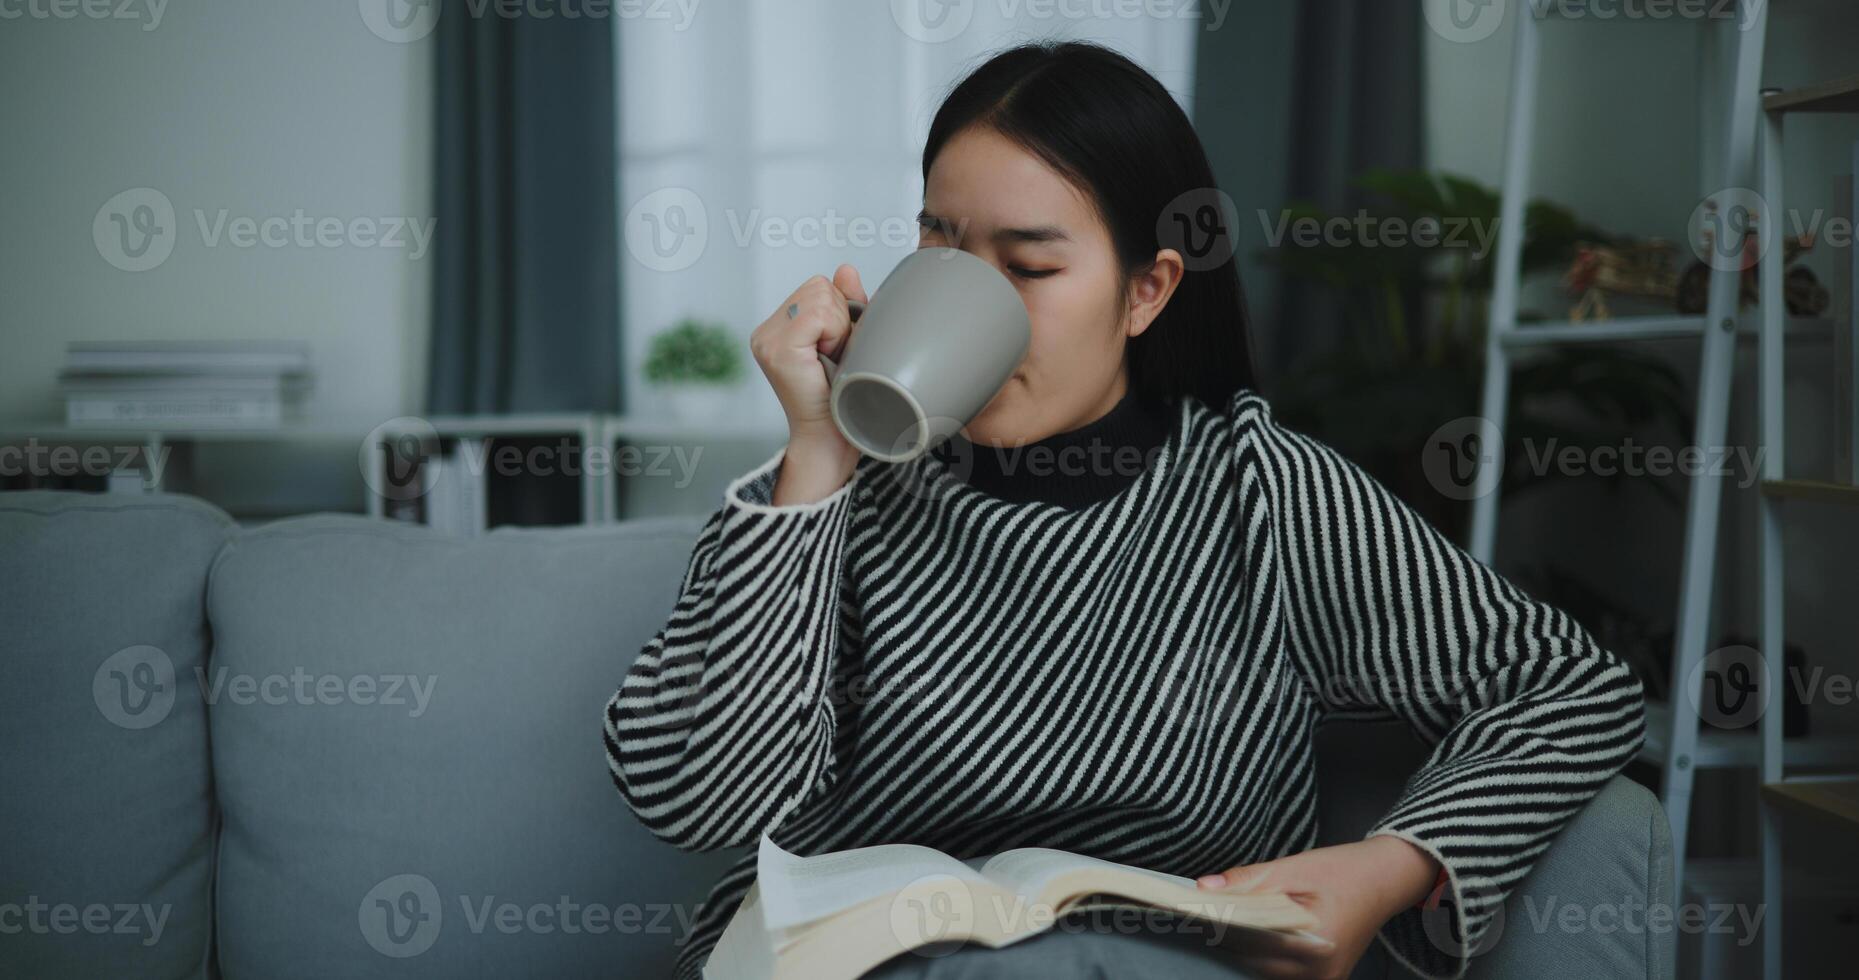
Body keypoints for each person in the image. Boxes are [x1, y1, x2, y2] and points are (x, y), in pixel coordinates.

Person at [603, 40, 1645, 980]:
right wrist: (819, 456)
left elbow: (1566, 685)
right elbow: (705, 804)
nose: (974, 293)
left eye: (1028, 264)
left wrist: (1389, 863)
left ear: (1145, 290)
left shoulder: (1258, 491)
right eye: (939, 244)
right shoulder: (836, 496)